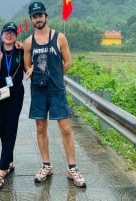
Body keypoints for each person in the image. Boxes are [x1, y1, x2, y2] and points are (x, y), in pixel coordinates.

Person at [23, 1, 86, 188]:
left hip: (57, 90)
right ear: (31, 19)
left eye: (40, 15)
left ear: (46, 16)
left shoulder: (59, 37)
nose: (38, 19)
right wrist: (34, 70)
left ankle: (72, 168)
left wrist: (56, 76)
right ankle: (46, 165)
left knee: (65, 128)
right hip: (39, 91)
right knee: (40, 128)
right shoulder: (28, 42)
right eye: (34, 17)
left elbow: (68, 62)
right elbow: (27, 66)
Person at [0, 22, 25, 191]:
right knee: (3, 130)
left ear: (16, 35)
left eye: (12, 32)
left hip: (16, 95)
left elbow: (29, 66)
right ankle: (9, 162)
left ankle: (1, 171)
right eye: (7, 32)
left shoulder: (21, 50)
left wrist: (32, 68)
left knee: (11, 129)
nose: (9, 35)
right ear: (2, 34)